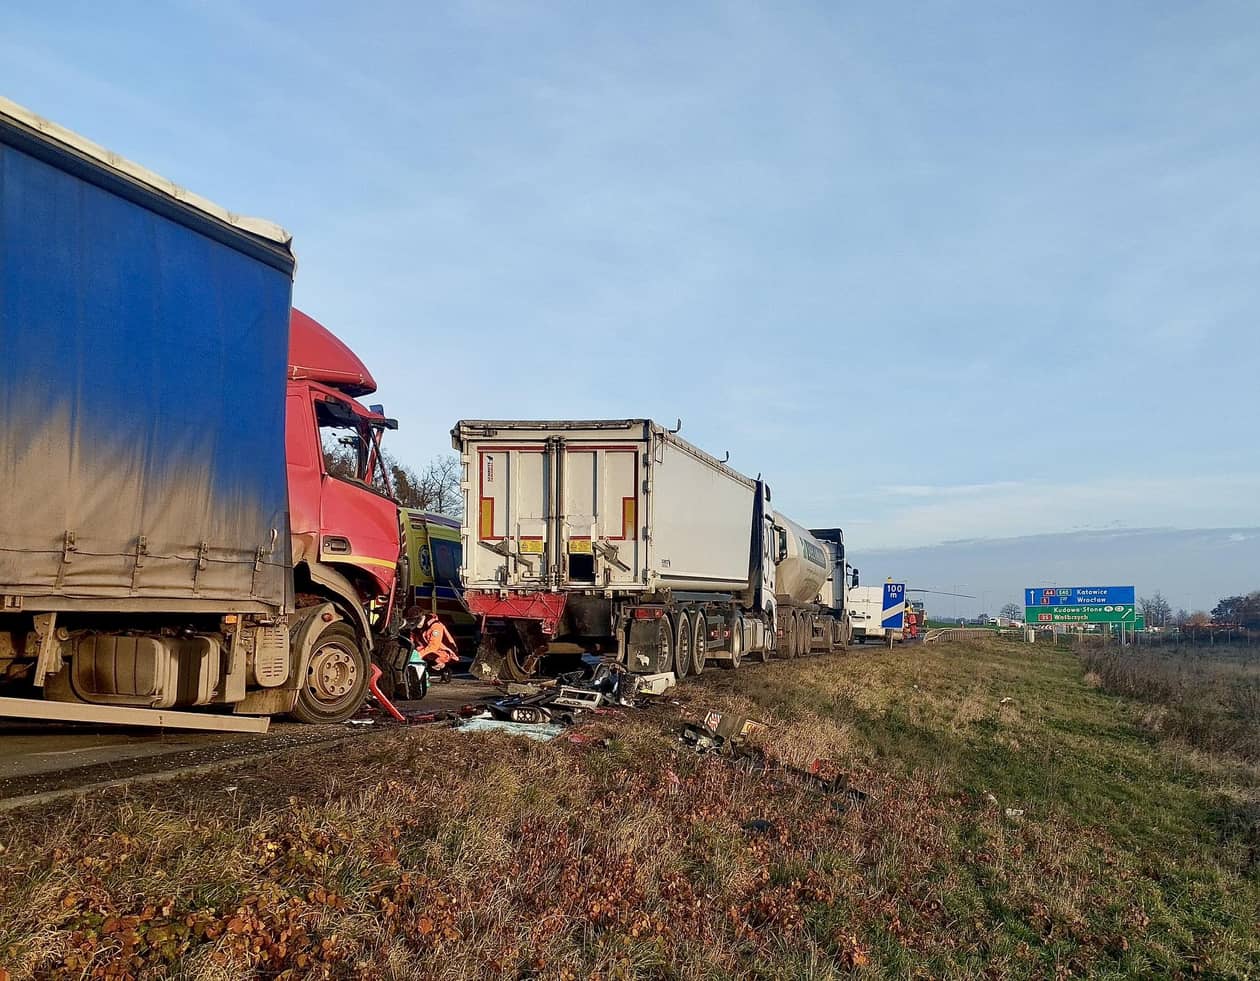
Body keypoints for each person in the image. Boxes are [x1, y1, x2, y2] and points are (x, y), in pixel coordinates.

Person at [409, 611, 459, 681]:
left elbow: (433, 646)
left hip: (444, 651)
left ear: (423, 617)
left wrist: (418, 655)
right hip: (428, 649)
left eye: (418, 621)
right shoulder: (416, 627)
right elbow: (411, 641)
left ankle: (444, 669)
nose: (417, 624)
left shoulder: (435, 626)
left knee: (426, 656)